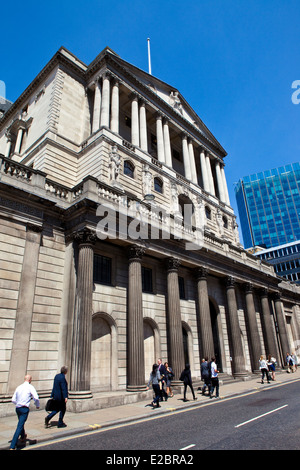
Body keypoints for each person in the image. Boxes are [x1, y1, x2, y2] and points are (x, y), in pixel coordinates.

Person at [10, 375, 40, 450]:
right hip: (24, 409)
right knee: (19, 426)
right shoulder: (30, 387)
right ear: (29, 380)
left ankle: (23, 437)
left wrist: (18, 403)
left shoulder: (19, 387)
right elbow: (36, 397)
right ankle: (12, 446)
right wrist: (37, 405)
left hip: (18, 408)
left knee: (21, 422)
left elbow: (13, 399)